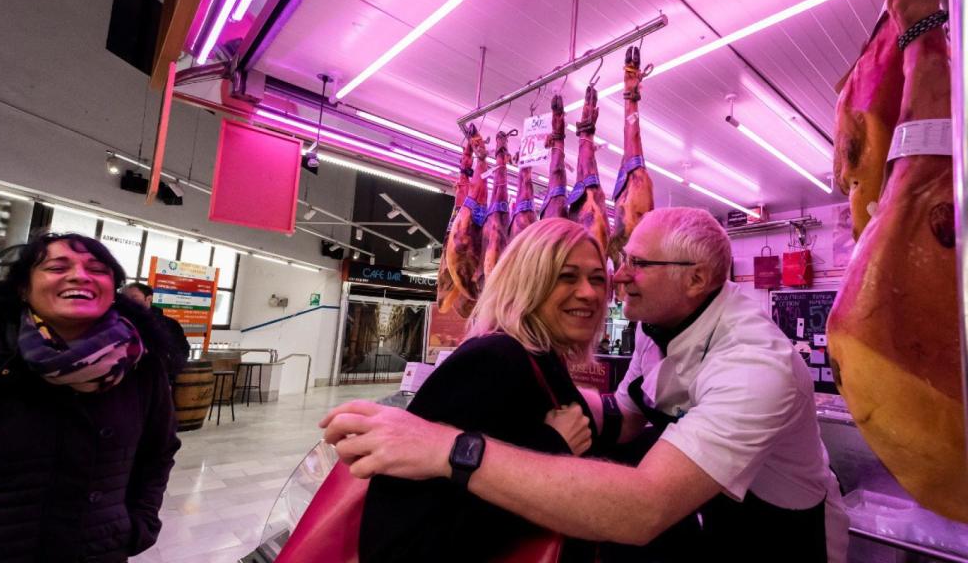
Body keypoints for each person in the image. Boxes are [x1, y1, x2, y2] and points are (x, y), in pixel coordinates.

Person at [322, 207, 848, 562]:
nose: (613, 282)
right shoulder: (649, 329)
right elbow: (630, 409)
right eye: (571, 275)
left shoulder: (754, 364)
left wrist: (454, 450)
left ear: (696, 280)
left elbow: (646, 505)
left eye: (631, 266)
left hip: (784, 532)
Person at [359, 218, 603, 561]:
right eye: (567, 276)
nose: (589, 293)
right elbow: (405, 534)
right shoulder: (492, 362)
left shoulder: (539, 357)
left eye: (597, 279)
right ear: (528, 282)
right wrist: (553, 446)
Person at [0, 232, 182, 562]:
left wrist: (138, 524)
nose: (79, 275)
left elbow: (158, 452)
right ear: (22, 288)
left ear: (113, 290)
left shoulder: (141, 367)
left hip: (97, 549)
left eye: (97, 268)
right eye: (56, 267)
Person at [121, 282, 192, 369]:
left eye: (134, 297)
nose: (128, 302)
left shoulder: (169, 324)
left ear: (149, 299)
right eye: (124, 298)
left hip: (158, 377)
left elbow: (182, 350)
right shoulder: (117, 322)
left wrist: (167, 370)